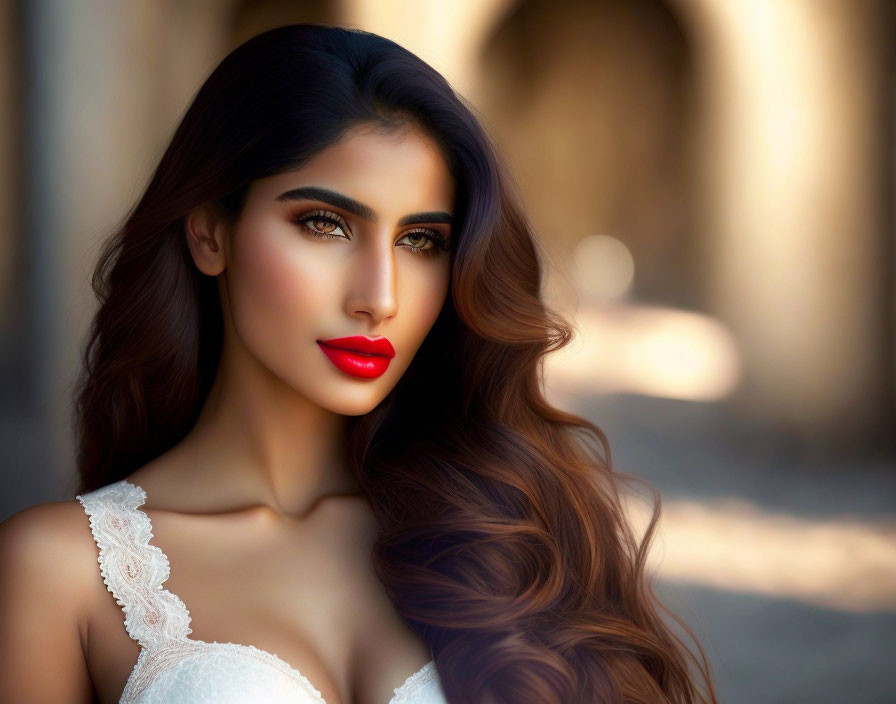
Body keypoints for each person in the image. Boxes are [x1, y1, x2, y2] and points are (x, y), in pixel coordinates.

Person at [0, 23, 717, 704]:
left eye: (421, 241)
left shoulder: (516, 530)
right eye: (325, 224)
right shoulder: (61, 570)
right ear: (211, 234)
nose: (379, 297)